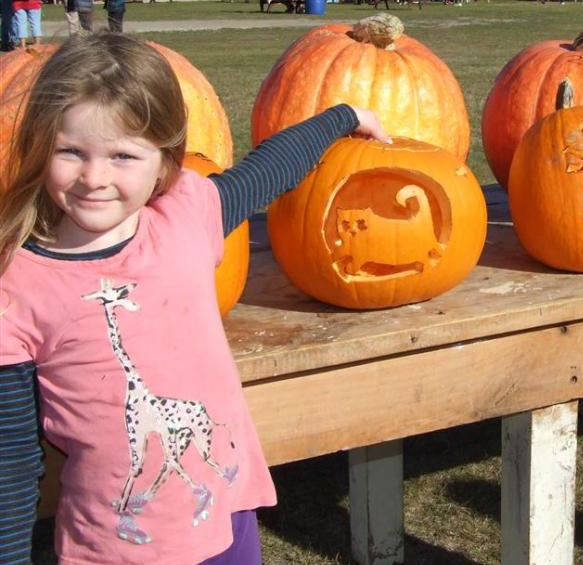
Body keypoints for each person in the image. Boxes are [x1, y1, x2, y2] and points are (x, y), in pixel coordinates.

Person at [0, 31, 391, 565]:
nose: (94, 178)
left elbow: (264, 172)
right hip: (114, 549)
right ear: (40, 146)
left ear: (164, 163)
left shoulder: (182, 217)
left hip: (226, 517)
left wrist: (344, 116)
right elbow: (12, 459)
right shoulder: (17, 285)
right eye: (71, 151)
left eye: (122, 155)